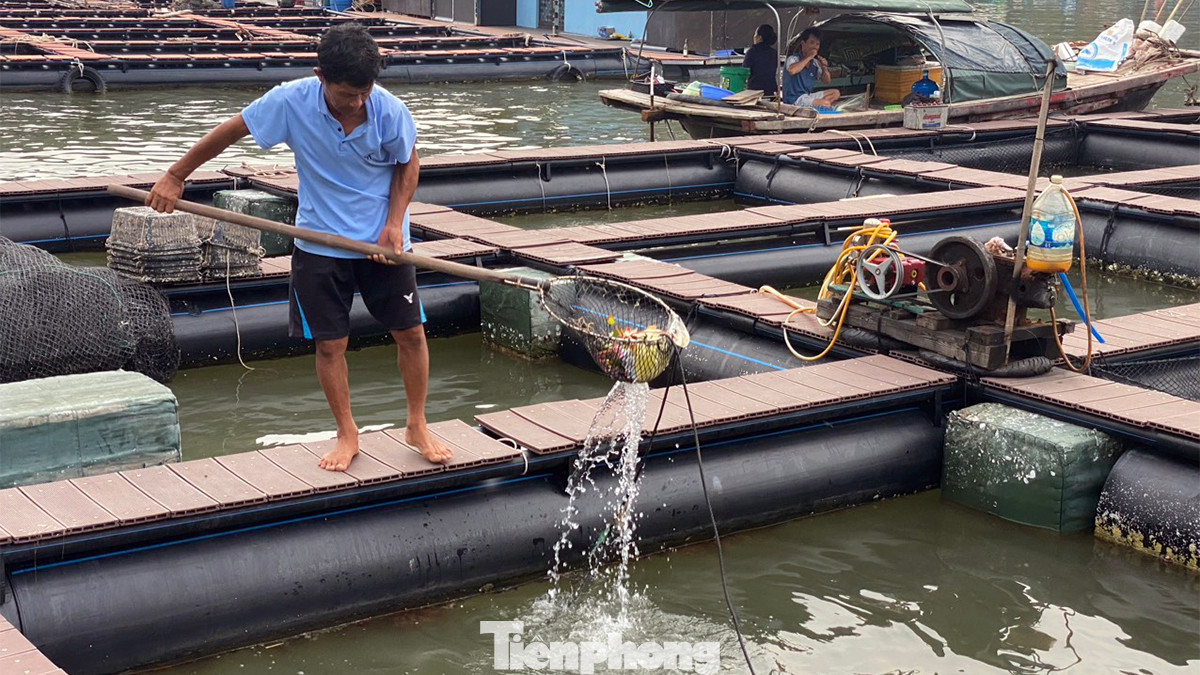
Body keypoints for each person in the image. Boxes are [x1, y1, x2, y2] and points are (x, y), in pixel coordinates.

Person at [146, 23, 452, 471]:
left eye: (365, 92)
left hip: (382, 242)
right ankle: (347, 432)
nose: (358, 103)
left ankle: (416, 423)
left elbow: (408, 165)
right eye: (347, 94)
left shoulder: (389, 110)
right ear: (320, 76)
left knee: (411, 334)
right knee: (330, 345)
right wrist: (176, 175)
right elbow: (231, 131)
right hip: (320, 241)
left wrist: (392, 227)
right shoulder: (291, 101)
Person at [783, 28, 841, 108]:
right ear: (803, 44)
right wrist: (809, 56)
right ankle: (824, 104)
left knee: (835, 93)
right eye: (812, 43)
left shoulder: (814, 63)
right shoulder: (793, 59)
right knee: (826, 103)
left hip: (807, 96)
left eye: (817, 44)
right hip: (795, 99)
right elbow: (792, 70)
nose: (815, 47)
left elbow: (827, 81)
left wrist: (824, 67)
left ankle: (822, 104)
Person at [741, 23, 778, 96]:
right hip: (770, 90)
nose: (754, 36)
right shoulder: (774, 53)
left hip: (754, 91)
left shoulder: (752, 52)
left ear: (760, 37)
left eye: (755, 34)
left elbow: (744, 71)